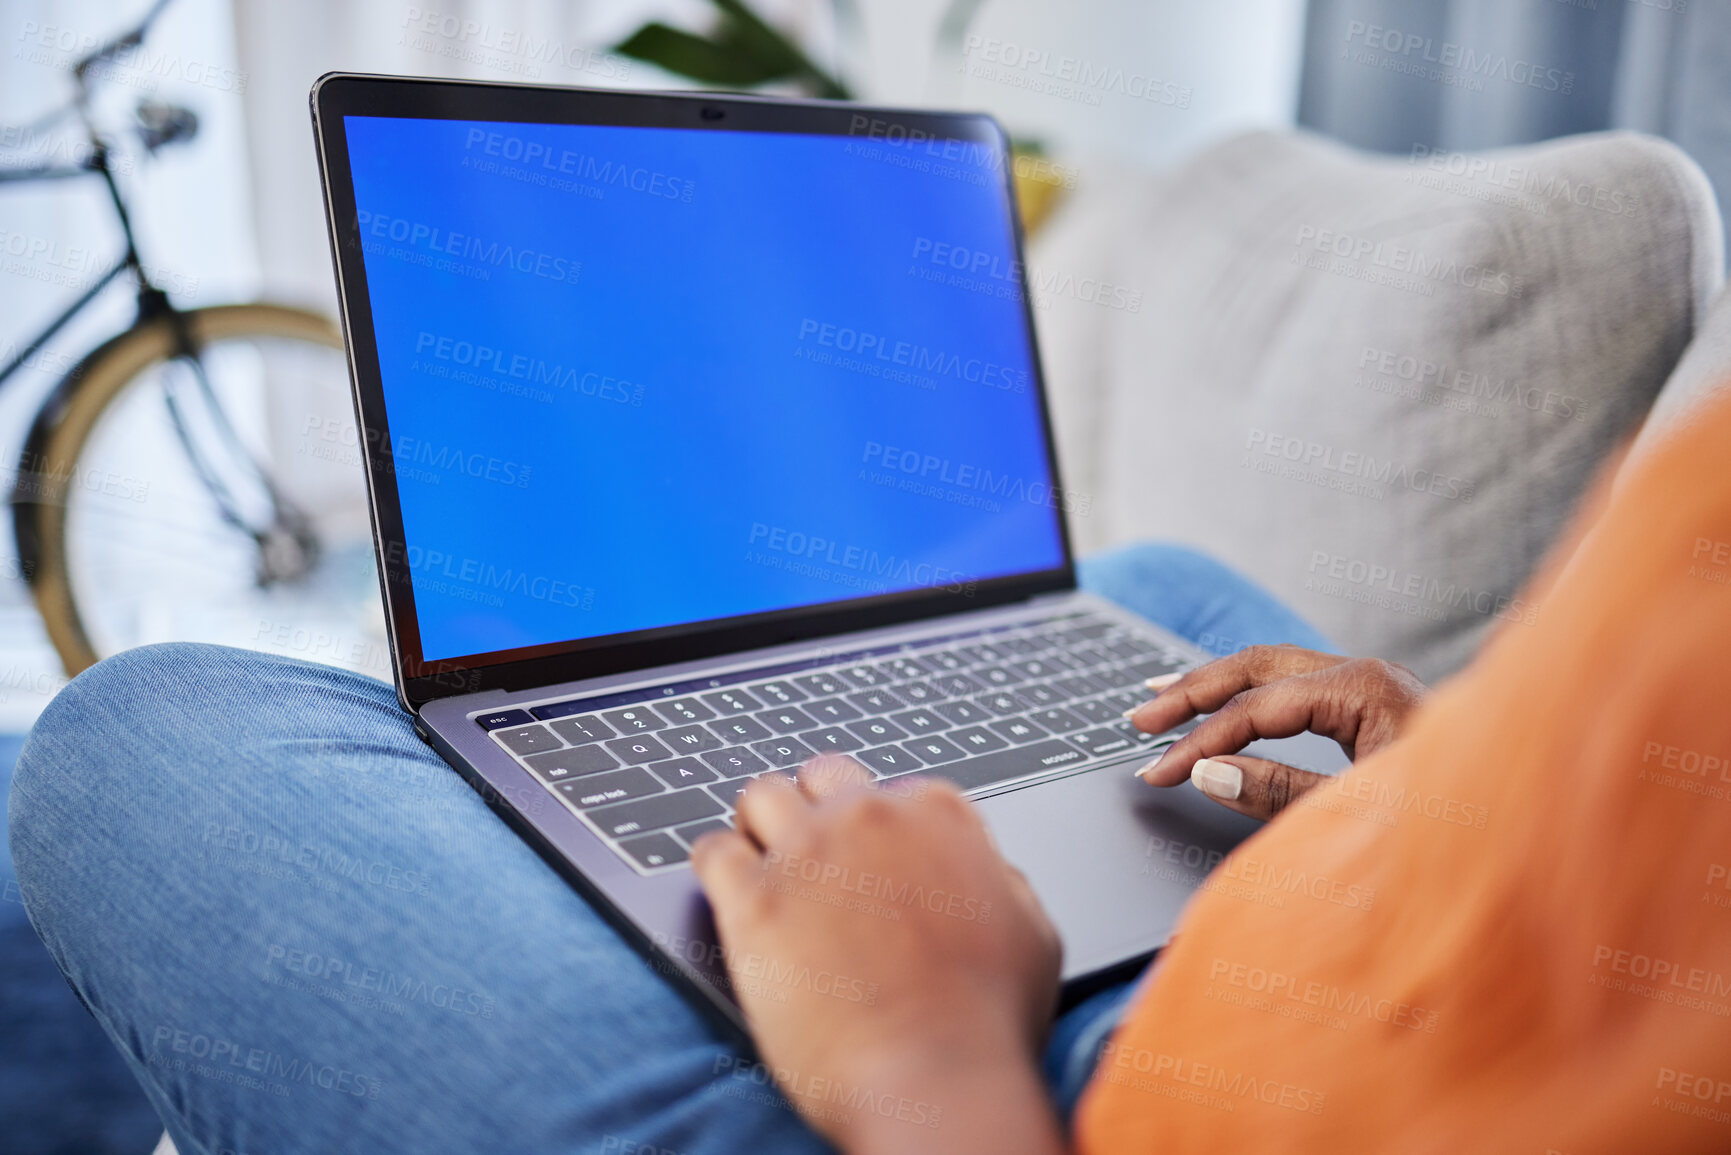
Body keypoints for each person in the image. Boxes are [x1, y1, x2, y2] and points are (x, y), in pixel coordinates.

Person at [12, 386, 1731, 1153]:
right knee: (1140, 595)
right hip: (1380, 930)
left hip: (1033, 1110)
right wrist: (1466, 800)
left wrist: (920, 1058)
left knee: (140, 726)